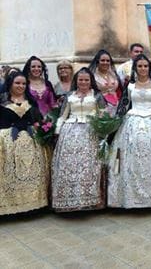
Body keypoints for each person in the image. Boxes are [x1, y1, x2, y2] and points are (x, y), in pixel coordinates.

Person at [108, 54, 151, 208]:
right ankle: (129, 196)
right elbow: (124, 106)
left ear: (149, 68)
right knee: (131, 157)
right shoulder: (130, 86)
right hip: (132, 122)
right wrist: (114, 123)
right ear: (135, 68)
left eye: (145, 66)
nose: (143, 69)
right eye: (140, 66)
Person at [52, 68, 106, 212]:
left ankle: (89, 199)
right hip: (69, 133)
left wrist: (102, 130)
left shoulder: (97, 96)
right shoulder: (69, 96)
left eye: (86, 80)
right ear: (76, 81)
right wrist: (57, 131)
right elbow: (63, 115)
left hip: (90, 132)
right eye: (80, 80)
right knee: (69, 165)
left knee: (88, 166)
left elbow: (102, 115)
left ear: (91, 81)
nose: (83, 82)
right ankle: (69, 200)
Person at [0, 72, 49, 215]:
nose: (21, 86)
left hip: (30, 141)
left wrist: (40, 127)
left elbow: (39, 120)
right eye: (17, 83)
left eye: (23, 84)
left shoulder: (31, 101)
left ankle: (33, 205)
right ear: (10, 84)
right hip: (7, 142)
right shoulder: (2, 101)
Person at [88, 49, 122, 113]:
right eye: (102, 60)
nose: (105, 62)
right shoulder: (93, 76)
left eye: (108, 61)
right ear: (98, 62)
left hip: (116, 104)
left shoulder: (113, 74)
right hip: (99, 105)